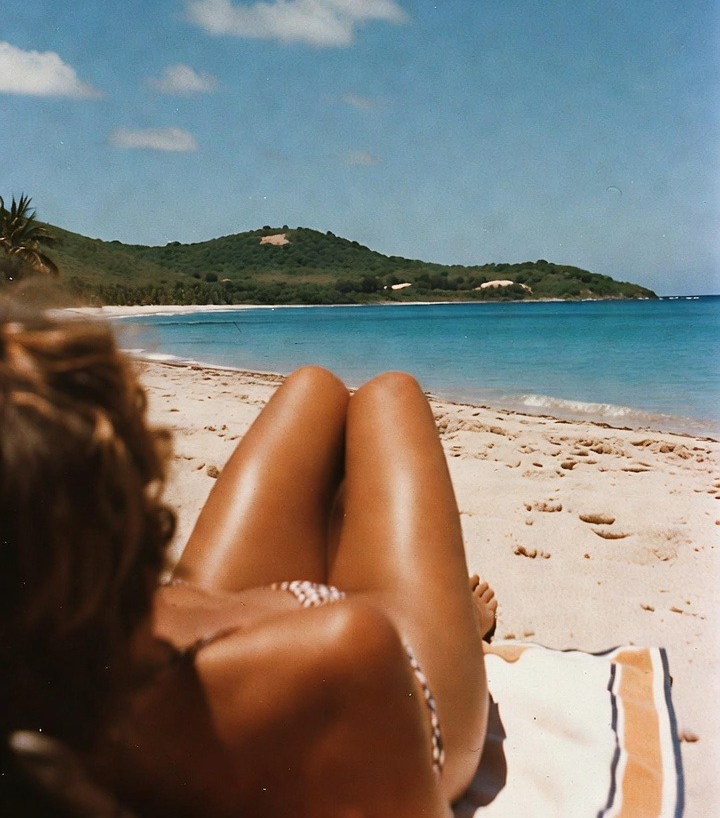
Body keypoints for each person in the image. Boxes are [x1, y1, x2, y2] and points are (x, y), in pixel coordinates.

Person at [0, 300, 497, 817]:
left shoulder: (33, 708)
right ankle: (462, 626)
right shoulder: (353, 649)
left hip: (175, 617)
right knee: (391, 394)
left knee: (313, 387)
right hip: (399, 676)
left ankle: (360, 549)